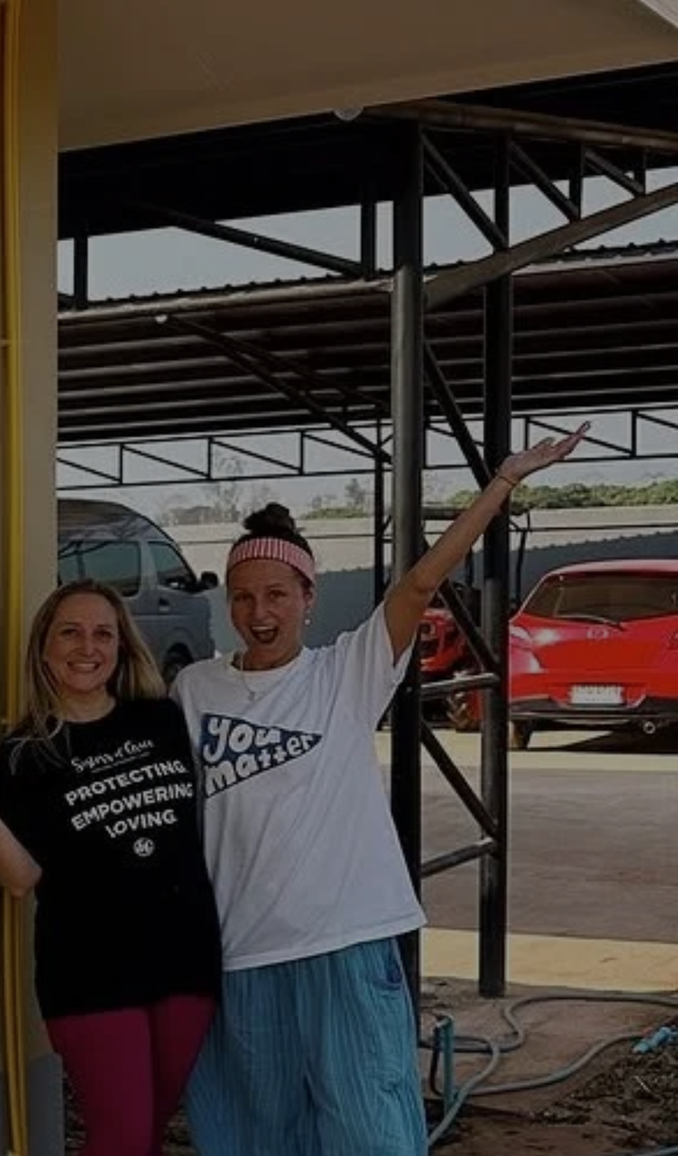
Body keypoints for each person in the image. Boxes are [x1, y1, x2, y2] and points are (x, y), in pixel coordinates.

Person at [172, 427, 584, 1155]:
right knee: (254, 1135)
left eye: (277, 595)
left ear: (309, 597)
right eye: (243, 597)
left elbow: (418, 584)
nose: (259, 613)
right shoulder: (195, 689)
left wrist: (503, 482)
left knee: (369, 1126)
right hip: (241, 949)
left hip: (345, 940)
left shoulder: (345, 673)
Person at [0, 580, 222, 1156]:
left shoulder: (161, 721)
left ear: (121, 646)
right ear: (44, 648)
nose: (87, 647)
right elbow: (20, 878)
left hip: (185, 960)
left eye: (104, 634)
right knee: (122, 1138)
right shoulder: (27, 753)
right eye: (70, 633)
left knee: (148, 1131)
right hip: (89, 973)